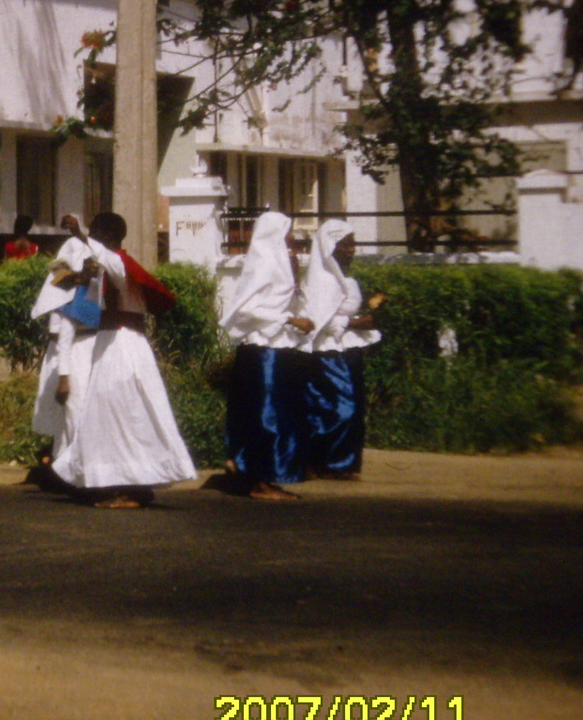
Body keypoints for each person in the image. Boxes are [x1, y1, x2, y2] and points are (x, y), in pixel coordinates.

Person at [51, 212, 197, 508]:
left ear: (105, 237)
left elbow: (107, 259)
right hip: (113, 343)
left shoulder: (118, 263)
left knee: (123, 414)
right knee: (114, 416)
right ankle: (125, 484)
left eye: (95, 236)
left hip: (122, 344)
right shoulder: (109, 268)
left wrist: (81, 234)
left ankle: (133, 487)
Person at [219, 210, 316, 501]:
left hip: (275, 348)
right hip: (263, 351)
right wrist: (289, 319)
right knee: (268, 416)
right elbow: (246, 308)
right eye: (287, 230)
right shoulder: (263, 263)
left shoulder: (279, 262)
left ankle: (250, 468)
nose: (291, 236)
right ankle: (260, 480)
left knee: (274, 414)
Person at [299, 220, 382, 480]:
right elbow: (319, 320)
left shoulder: (346, 279)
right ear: (329, 247)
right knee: (337, 407)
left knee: (354, 407)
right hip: (328, 352)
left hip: (348, 349)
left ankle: (342, 463)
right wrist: (355, 322)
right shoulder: (321, 283)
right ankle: (323, 461)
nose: (351, 250)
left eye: (353, 245)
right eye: (345, 245)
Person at [29, 217, 94, 463]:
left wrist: (80, 232)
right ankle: (61, 462)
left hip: (79, 351)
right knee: (65, 412)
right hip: (63, 353)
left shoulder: (87, 292)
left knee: (75, 412)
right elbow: (59, 273)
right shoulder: (63, 294)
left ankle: (64, 462)